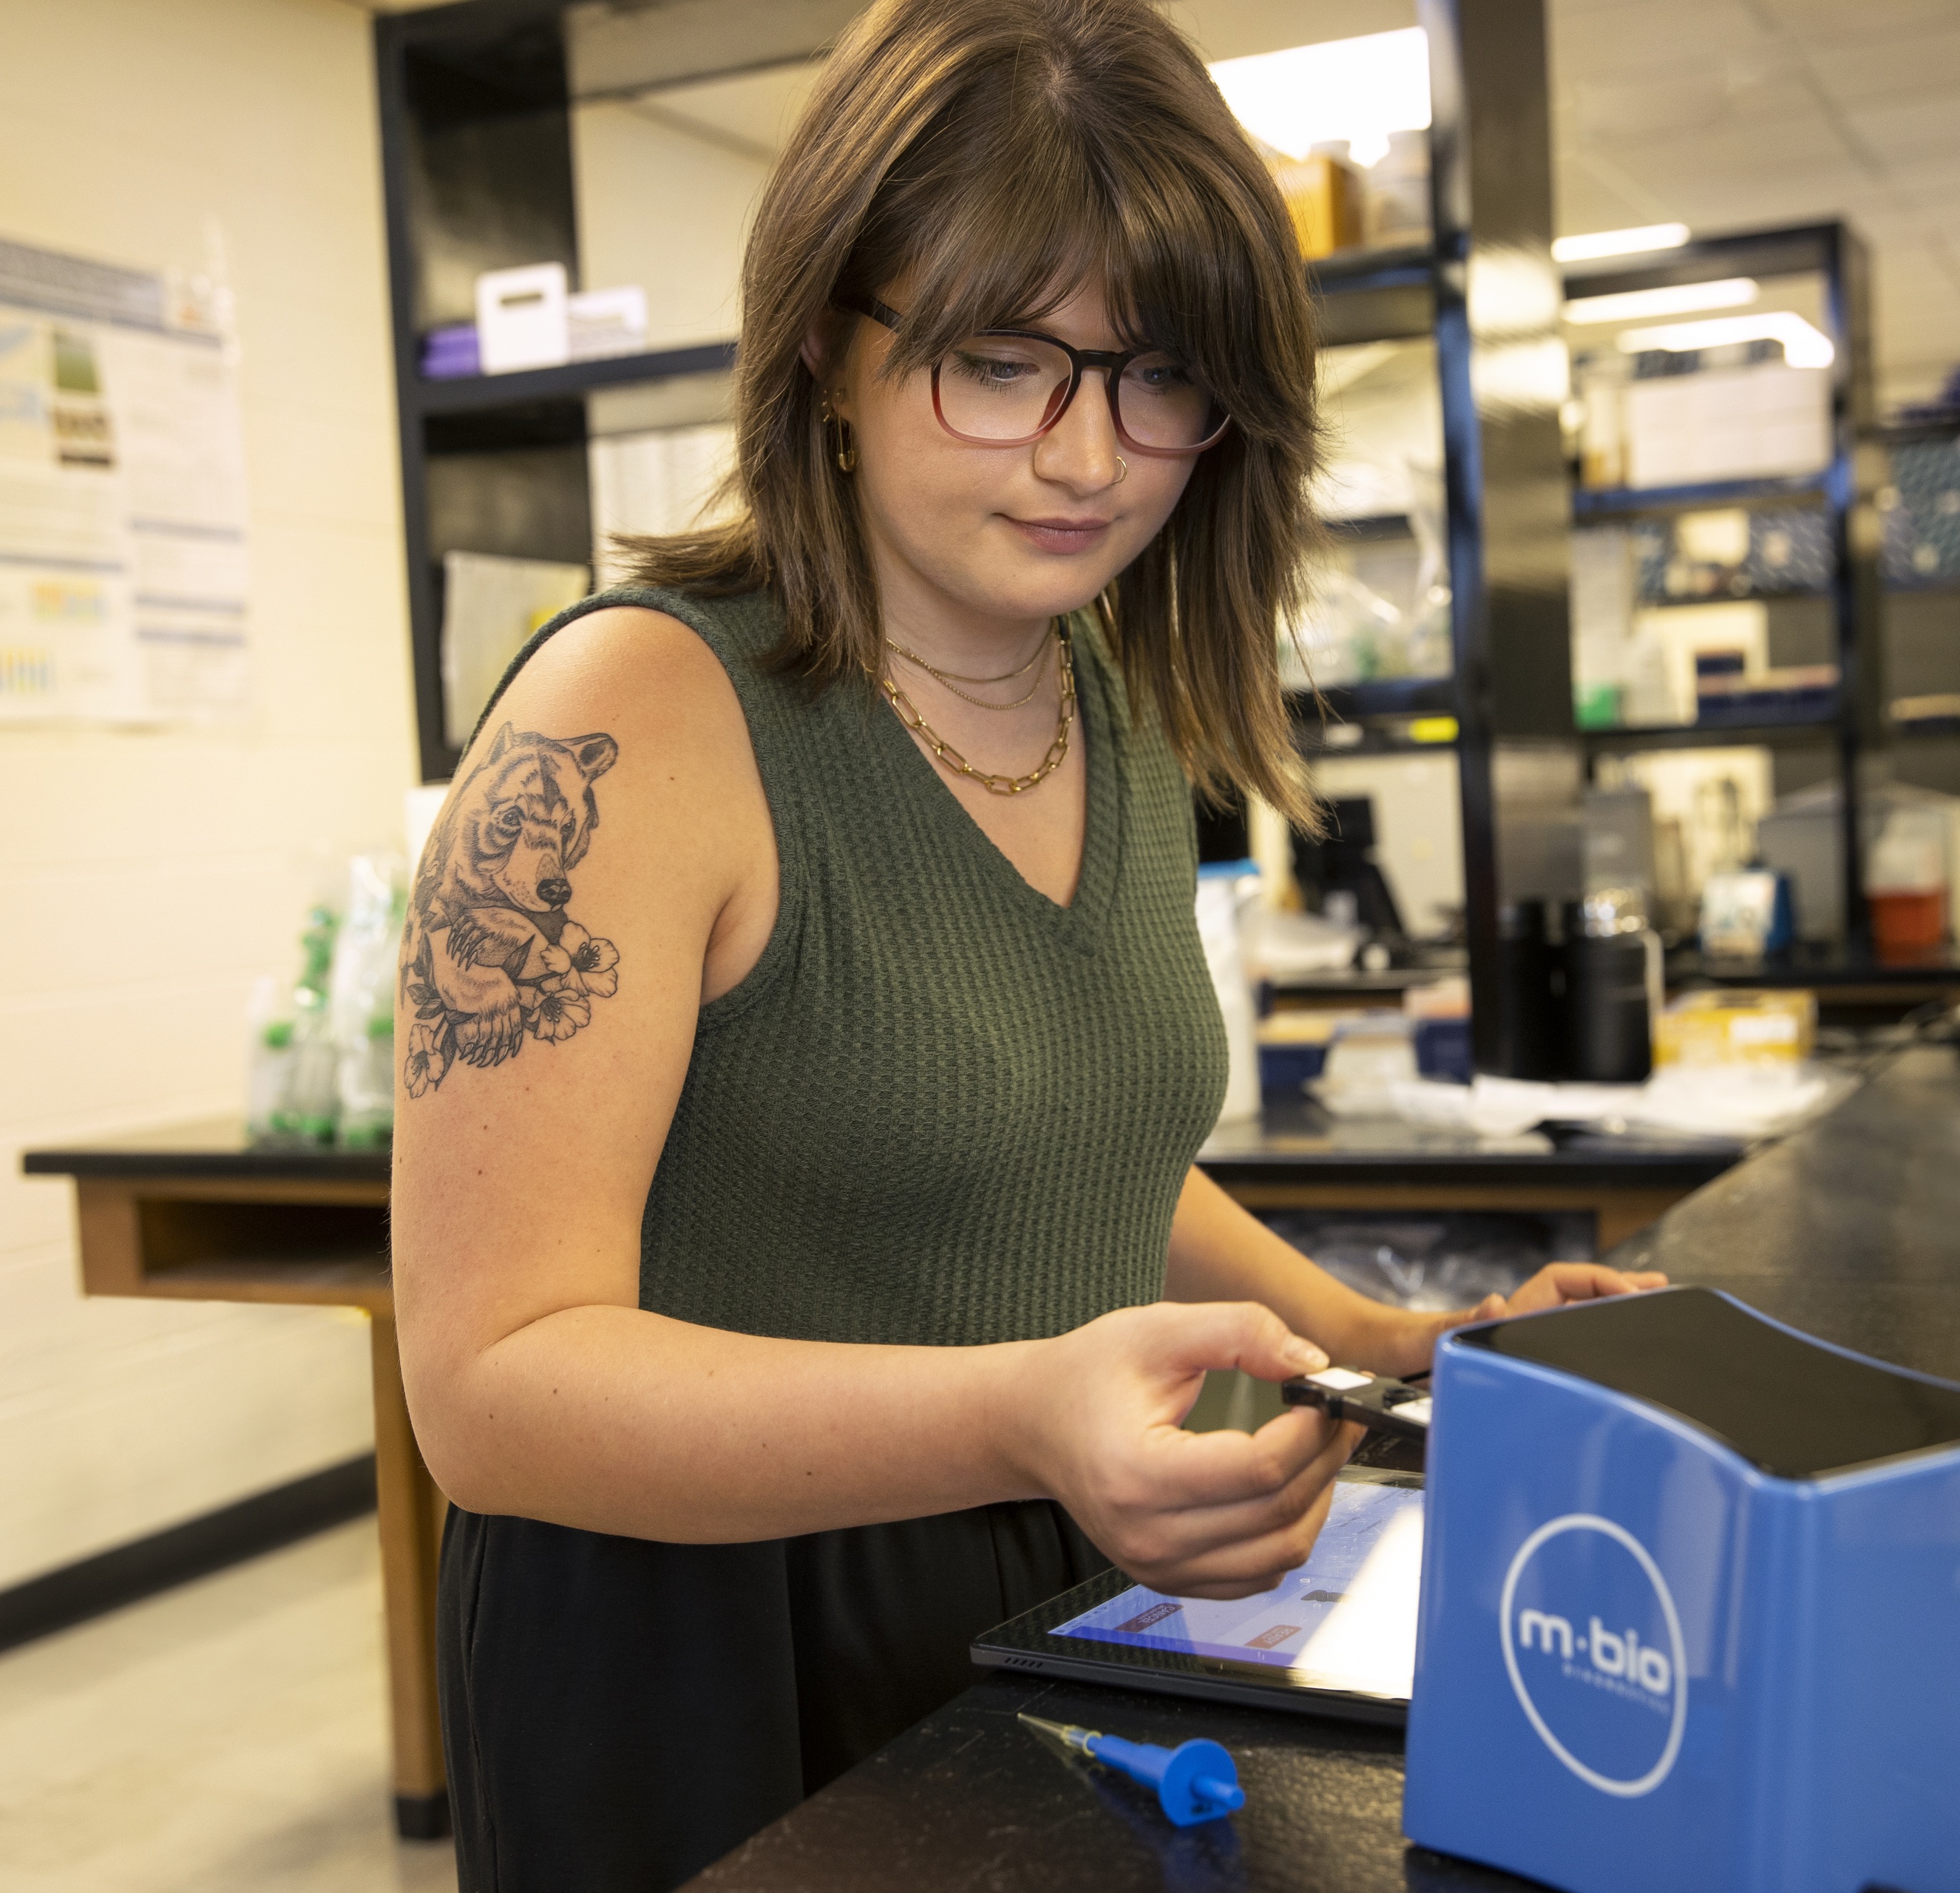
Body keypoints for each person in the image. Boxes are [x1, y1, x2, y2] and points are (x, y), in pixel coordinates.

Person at [390, 2, 1661, 1888]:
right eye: (1001, 362)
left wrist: (1381, 1346)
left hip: (1046, 1564)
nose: (1088, 457)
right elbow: (488, 1392)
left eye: (1159, 378)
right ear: (829, 337)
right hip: (707, 1645)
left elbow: (1071, 1150)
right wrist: (1019, 1411)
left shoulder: (1109, 694)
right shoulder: (640, 714)